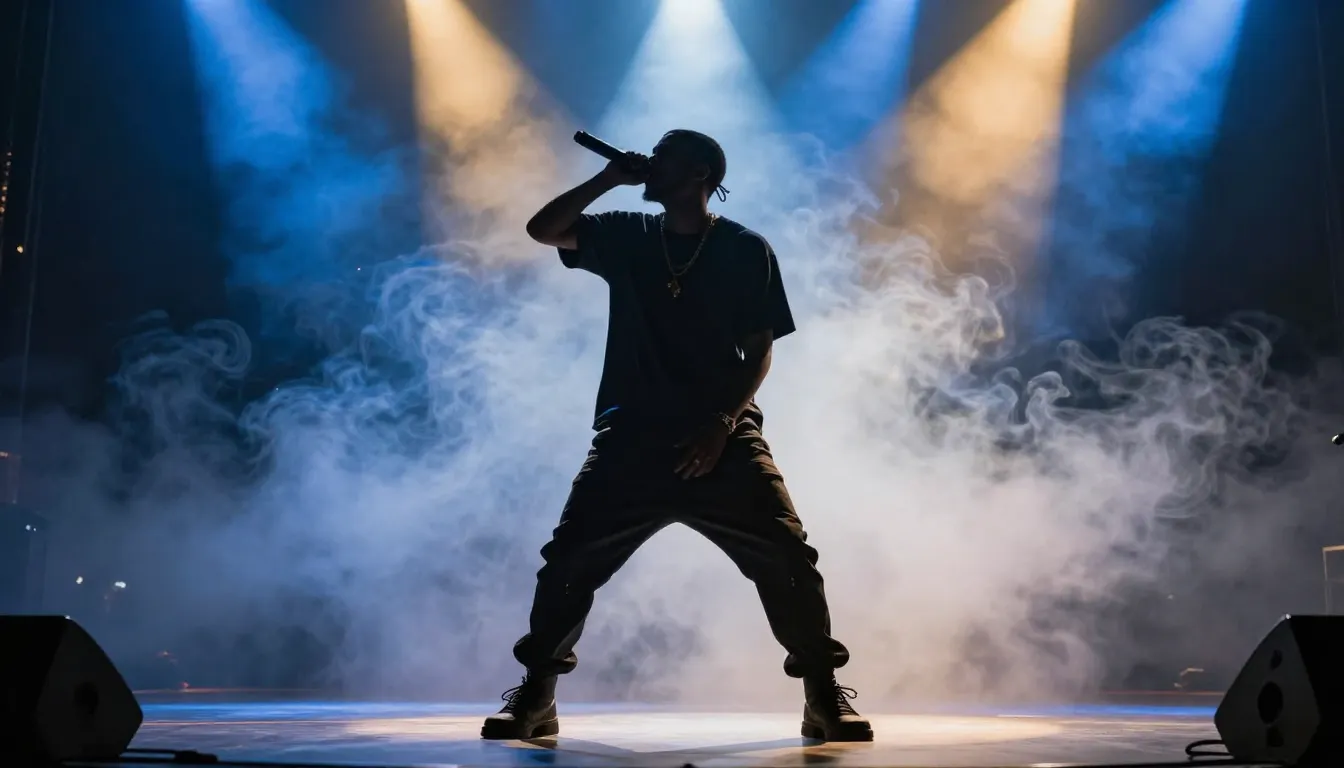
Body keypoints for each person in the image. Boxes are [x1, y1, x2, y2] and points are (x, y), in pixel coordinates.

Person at [482, 130, 871, 743]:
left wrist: (722, 424)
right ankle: (537, 694)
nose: (651, 162)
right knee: (569, 561)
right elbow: (544, 229)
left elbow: (760, 351)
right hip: (632, 435)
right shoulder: (627, 233)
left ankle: (823, 694)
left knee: (787, 557)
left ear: (700, 174)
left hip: (723, 437)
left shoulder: (744, 248)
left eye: (665, 156)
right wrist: (608, 178)